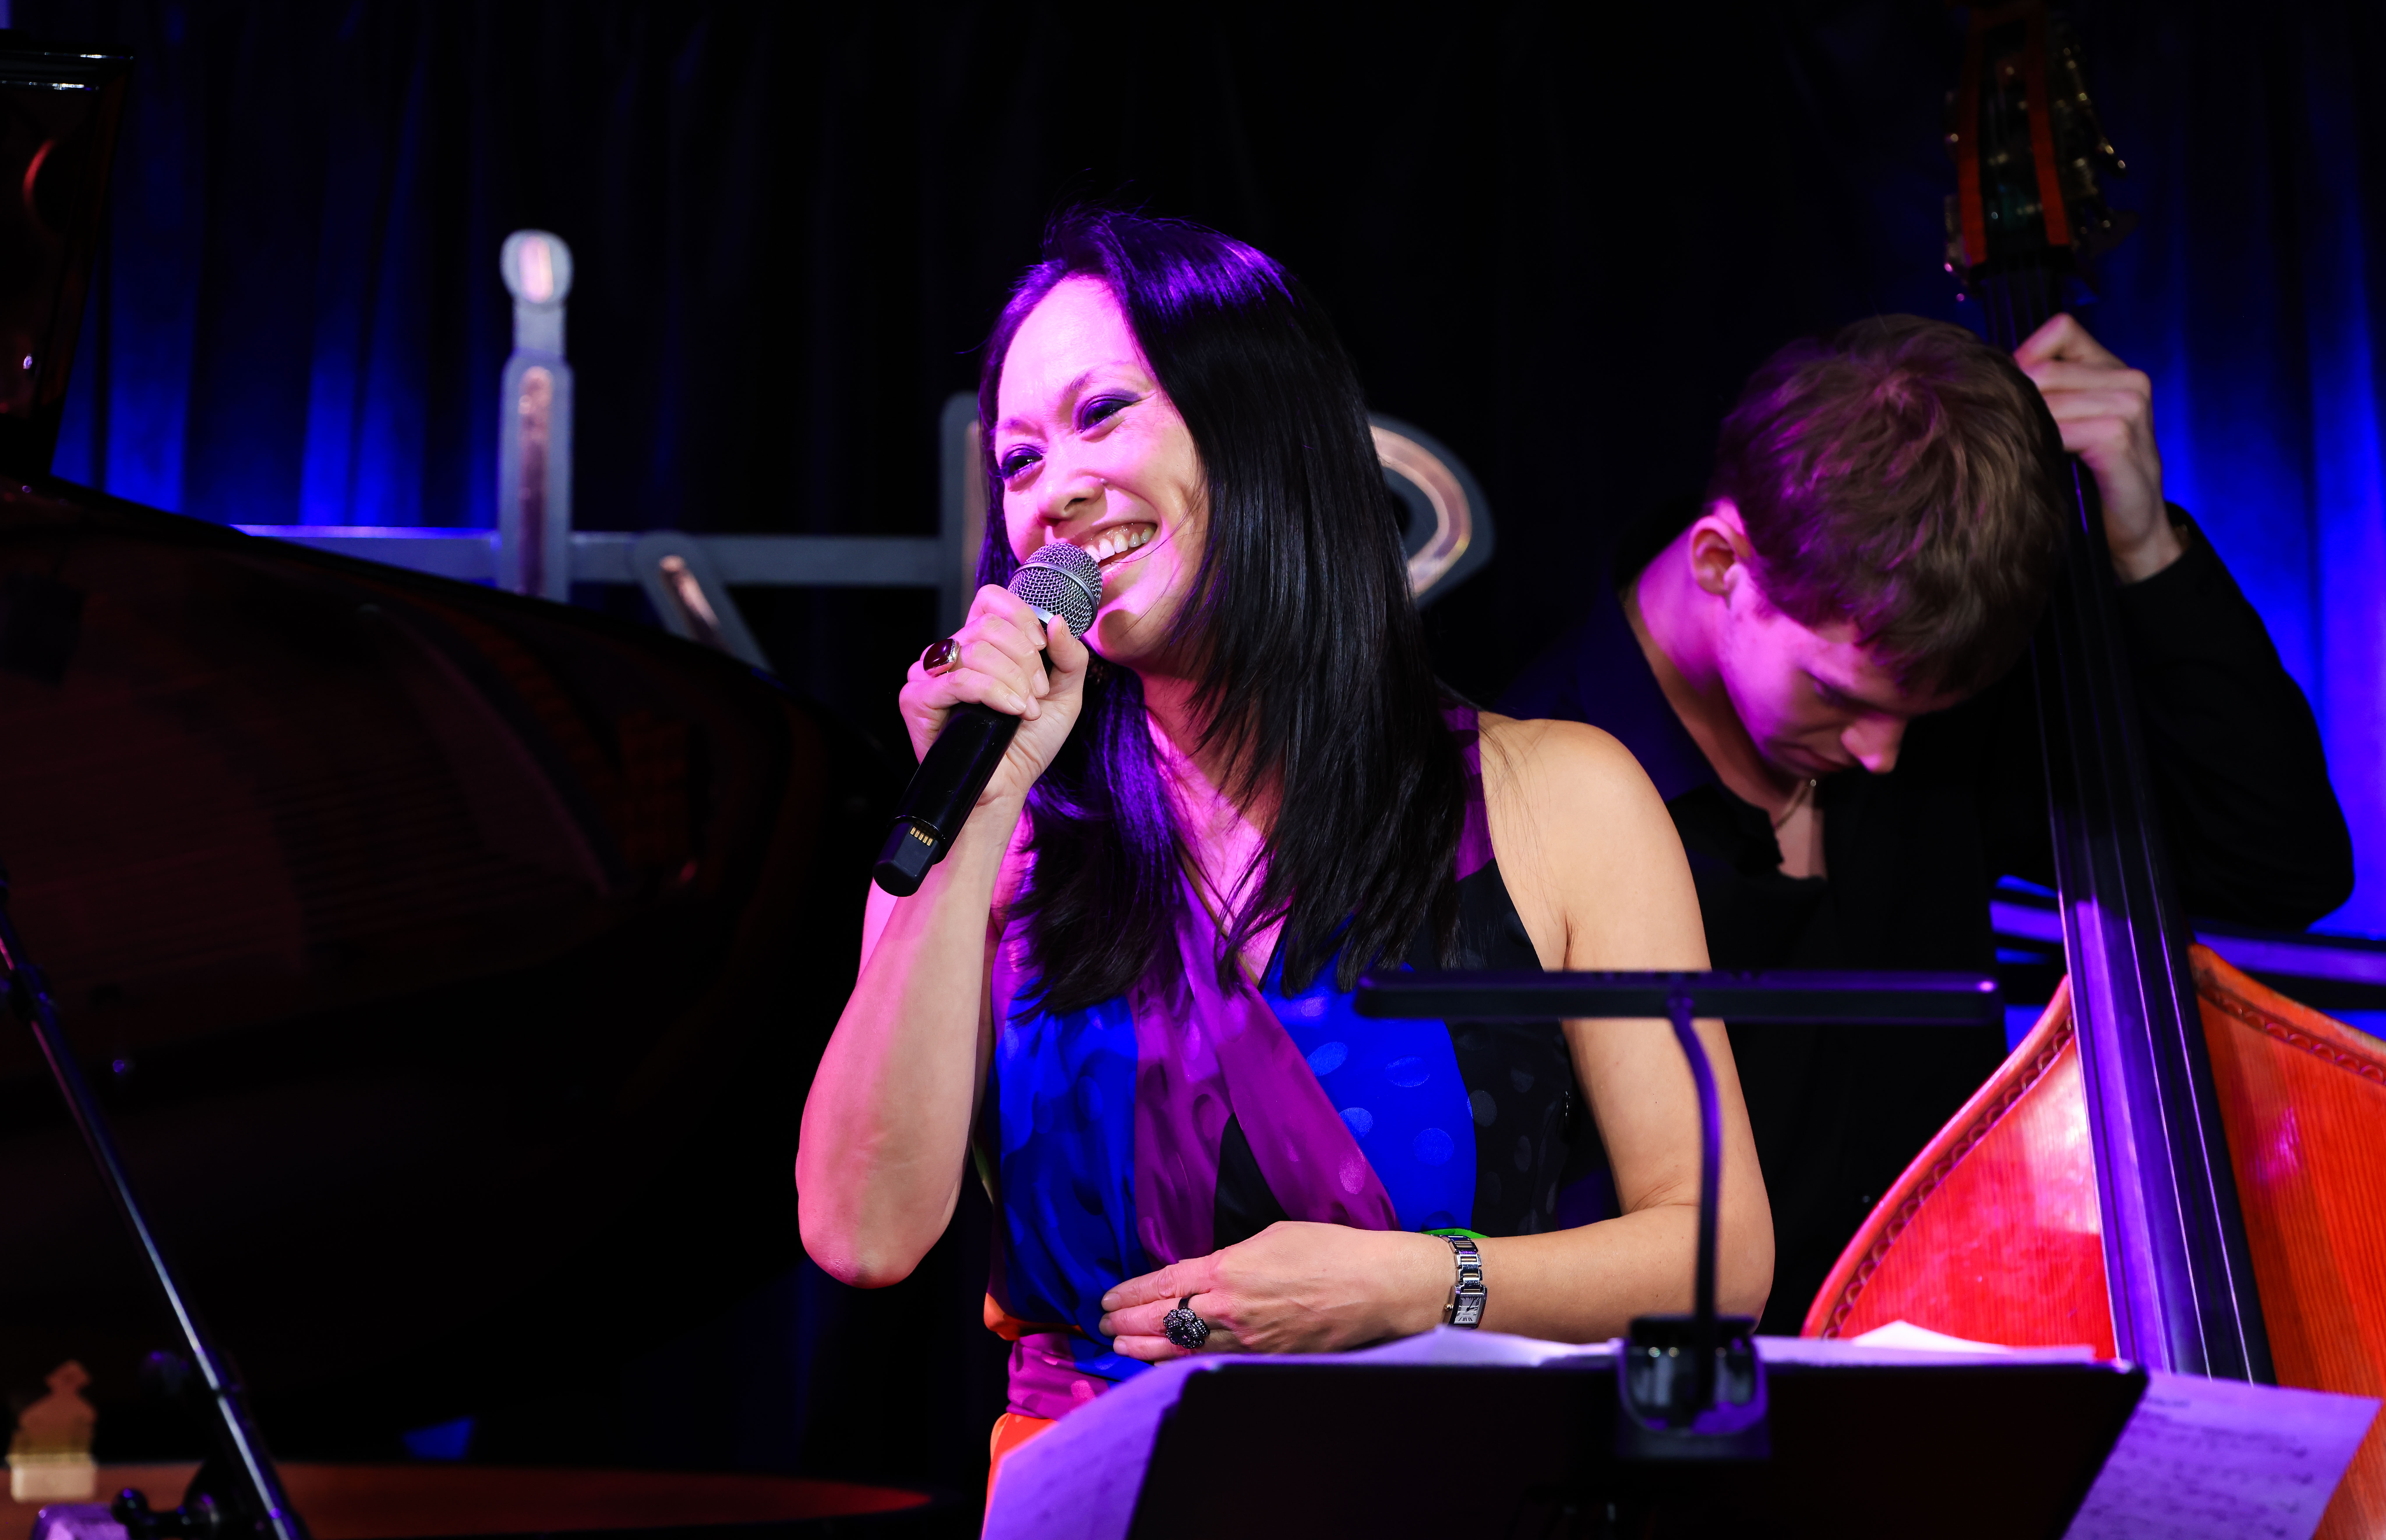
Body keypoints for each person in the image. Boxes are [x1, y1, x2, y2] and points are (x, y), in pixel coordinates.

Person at [795, 211, 1773, 1474]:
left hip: (1444, 1490)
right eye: (1020, 459)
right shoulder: (999, 838)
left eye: (1102, 415)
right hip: (1099, 1497)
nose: (1056, 490)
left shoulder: (1557, 799)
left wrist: (1420, 1287)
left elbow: (1716, 1254)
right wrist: (979, 812)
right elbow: (859, 1234)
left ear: (1260, 426)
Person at [1501, 313, 2355, 1333]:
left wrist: (2143, 542)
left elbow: (2277, 866)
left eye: (1917, 716)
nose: (1882, 754)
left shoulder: (1923, 702)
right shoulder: (1527, 790)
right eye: (1838, 696)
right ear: (1724, 563)